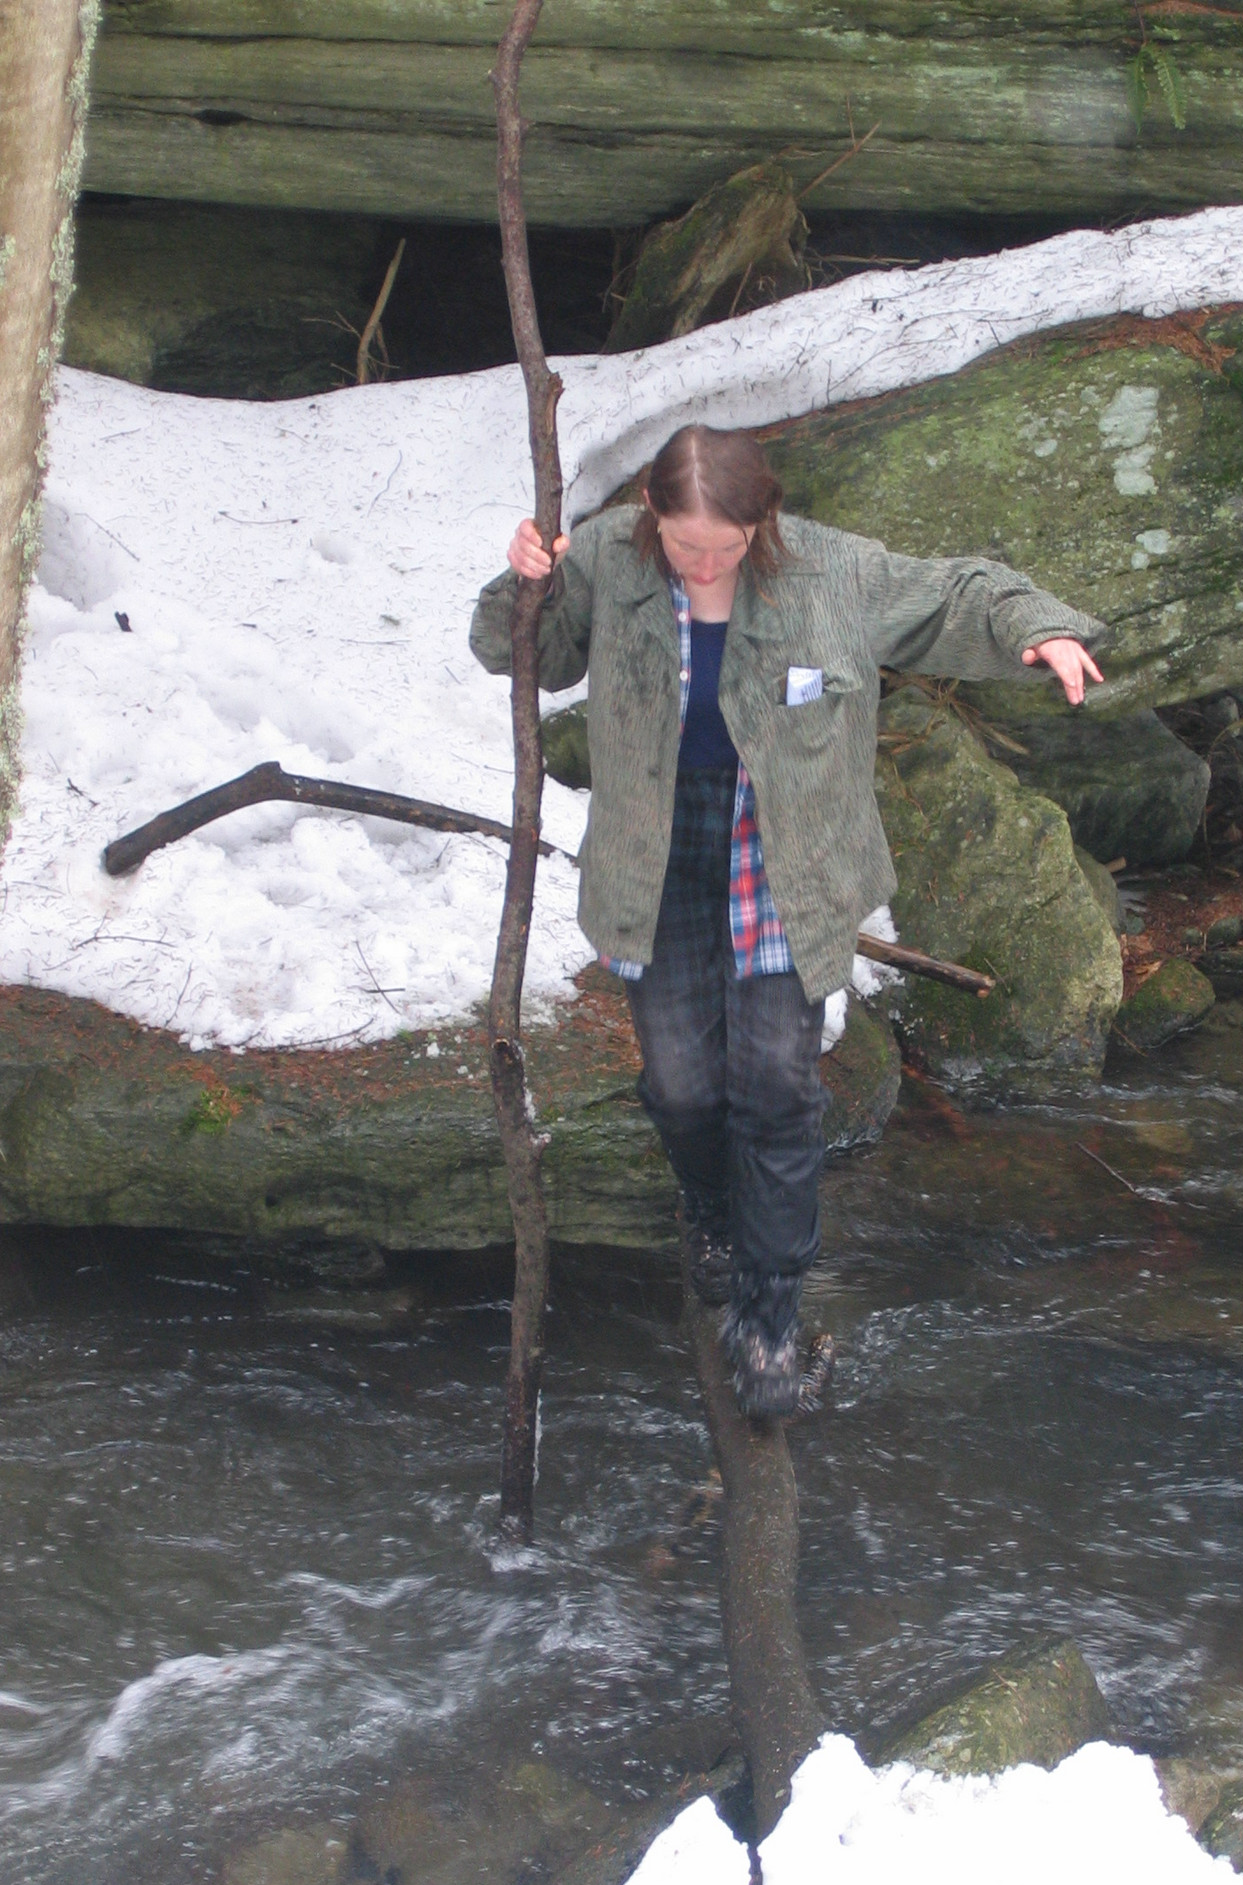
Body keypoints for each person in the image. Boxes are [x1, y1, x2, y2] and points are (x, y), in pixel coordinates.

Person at [471, 425, 1106, 1421]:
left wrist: (1041, 630)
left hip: (785, 860)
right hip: (653, 855)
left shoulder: (832, 572)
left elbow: (959, 593)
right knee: (682, 1087)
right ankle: (712, 1209)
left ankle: (769, 1318)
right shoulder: (604, 560)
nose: (704, 565)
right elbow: (521, 656)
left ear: (762, 520)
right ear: (651, 513)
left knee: (775, 1091)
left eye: (724, 546)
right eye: (684, 545)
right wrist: (527, 585)